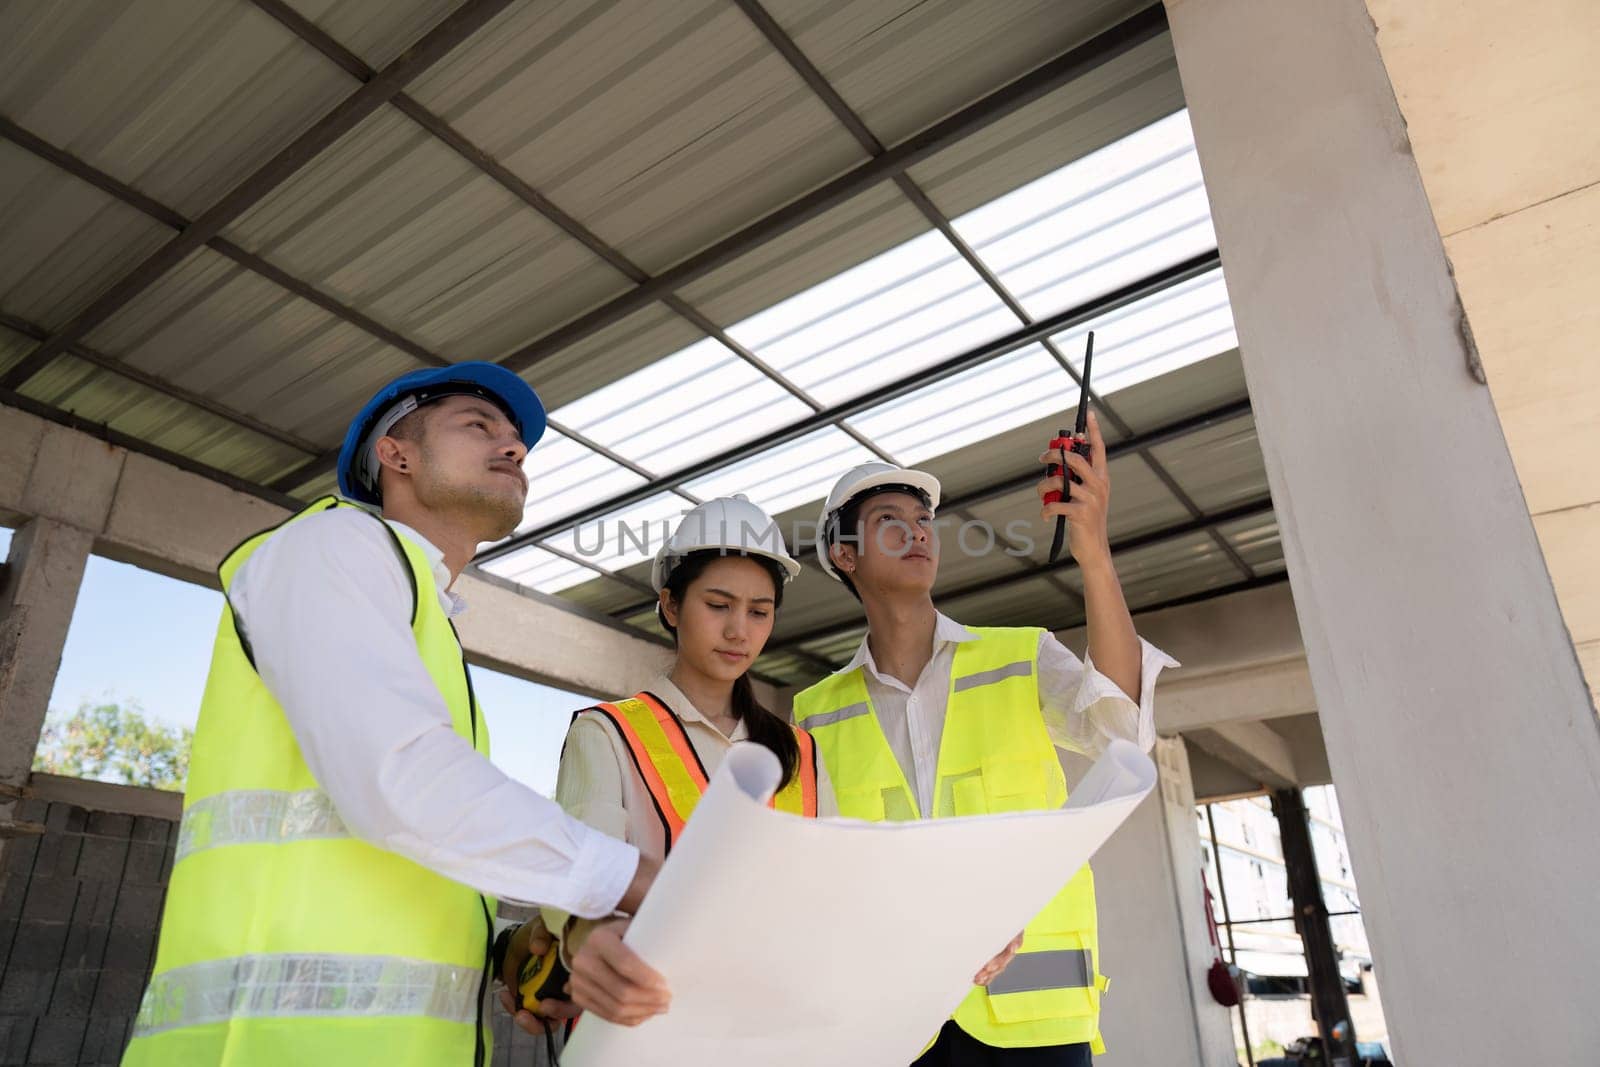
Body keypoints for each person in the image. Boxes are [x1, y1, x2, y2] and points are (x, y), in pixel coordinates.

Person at [123, 363, 669, 1067]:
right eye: (479, 425)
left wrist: (502, 951)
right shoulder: (332, 546)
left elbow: (416, 839)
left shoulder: (423, 614)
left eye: (519, 441)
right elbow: (400, 781)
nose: (514, 448)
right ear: (396, 454)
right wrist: (632, 877)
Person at [795, 410, 1175, 1066]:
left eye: (923, 520)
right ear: (844, 552)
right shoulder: (814, 714)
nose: (918, 531)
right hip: (898, 1023)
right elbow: (825, 875)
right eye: (891, 519)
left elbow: (1121, 728)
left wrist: (1092, 550)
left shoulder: (1021, 656)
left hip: (1037, 1018)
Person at [539, 495, 835, 1001]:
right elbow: (579, 876)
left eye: (759, 613)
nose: (739, 630)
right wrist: (583, 937)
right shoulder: (608, 733)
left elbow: (836, 886)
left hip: (776, 1014)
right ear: (671, 605)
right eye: (718, 606)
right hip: (653, 1013)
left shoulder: (799, 752)